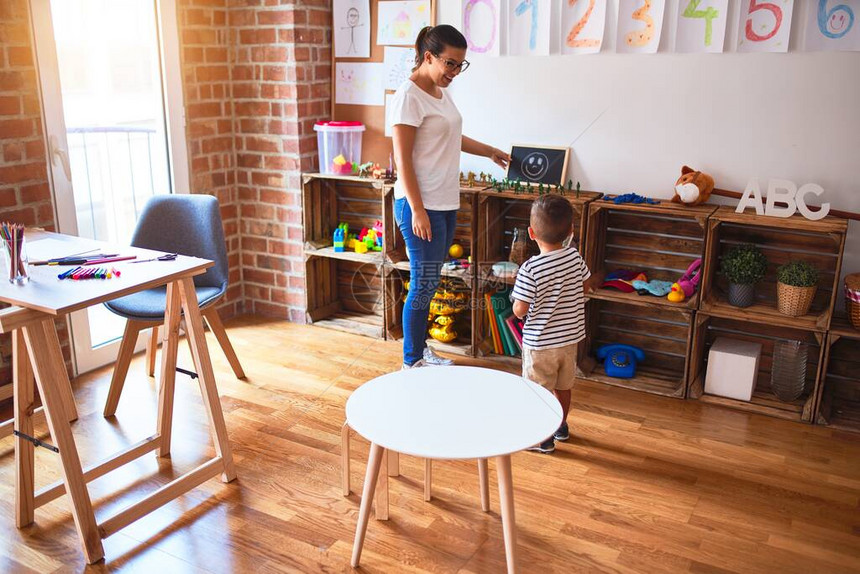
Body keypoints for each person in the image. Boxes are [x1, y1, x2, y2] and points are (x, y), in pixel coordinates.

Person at [389, 25, 510, 370]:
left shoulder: (440, 92)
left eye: (460, 65)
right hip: (419, 205)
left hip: (444, 202)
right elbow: (403, 160)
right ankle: (411, 360)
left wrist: (488, 151)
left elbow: (450, 133)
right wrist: (417, 210)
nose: (455, 72)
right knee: (424, 281)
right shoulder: (407, 97)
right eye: (450, 64)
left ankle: (419, 351)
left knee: (430, 279)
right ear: (429, 57)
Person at [511, 195, 598, 453]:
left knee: (538, 391)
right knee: (563, 387)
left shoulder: (530, 269)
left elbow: (519, 310)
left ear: (531, 233)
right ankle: (560, 426)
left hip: (540, 345)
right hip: (569, 341)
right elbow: (585, 285)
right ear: (571, 231)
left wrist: (516, 301)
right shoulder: (574, 257)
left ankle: (542, 438)